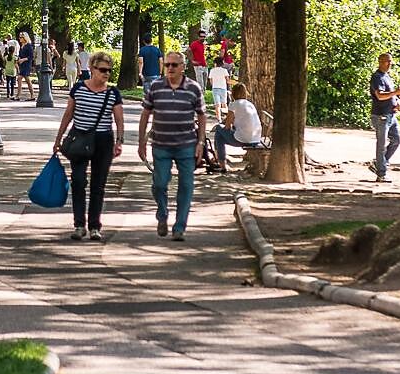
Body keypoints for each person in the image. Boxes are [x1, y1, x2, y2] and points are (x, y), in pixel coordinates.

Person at [52, 50, 124, 241]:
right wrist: (59, 138)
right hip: (80, 139)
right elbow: (68, 114)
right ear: (92, 69)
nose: (106, 74)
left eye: (109, 71)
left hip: (103, 141)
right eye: (102, 70)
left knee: (98, 185)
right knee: (78, 181)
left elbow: (119, 119)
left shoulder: (112, 93)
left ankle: (94, 226)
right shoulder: (78, 89)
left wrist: (119, 141)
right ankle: (78, 225)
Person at [138, 50, 205, 241]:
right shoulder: (156, 87)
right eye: (167, 65)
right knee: (159, 184)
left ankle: (179, 227)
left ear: (183, 67)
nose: (170, 69)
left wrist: (200, 142)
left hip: (186, 145)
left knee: (186, 185)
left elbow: (201, 115)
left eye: (174, 65)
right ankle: (162, 214)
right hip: (161, 144)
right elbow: (145, 114)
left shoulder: (193, 88)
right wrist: (141, 140)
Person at [369, 52, 400, 183]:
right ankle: (381, 174)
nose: (390, 64)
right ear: (380, 62)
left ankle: (379, 163)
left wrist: (398, 100)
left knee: (396, 140)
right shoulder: (377, 77)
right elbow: (380, 95)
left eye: (391, 61)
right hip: (380, 116)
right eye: (387, 61)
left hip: (391, 115)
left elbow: (391, 94)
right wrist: (396, 92)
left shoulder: (387, 77)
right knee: (381, 145)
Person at [213, 82, 264, 173]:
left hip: (243, 139)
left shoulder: (233, 104)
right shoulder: (250, 104)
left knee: (218, 129)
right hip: (255, 139)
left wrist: (225, 123)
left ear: (233, 93)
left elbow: (227, 126)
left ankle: (221, 162)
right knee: (220, 137)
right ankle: (220, 160)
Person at [17, 32, 36, 100]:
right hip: (22, 64)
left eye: (21, 37)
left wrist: (23, 59)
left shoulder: (28, 46)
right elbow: (20, 55)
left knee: (22, 79)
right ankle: (31, 95)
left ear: (25, 38)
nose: (19, 39)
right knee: (24, 79)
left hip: (26, 64)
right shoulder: (22, 46)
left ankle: (19, 95)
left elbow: (31, 56)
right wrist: (19, 58)